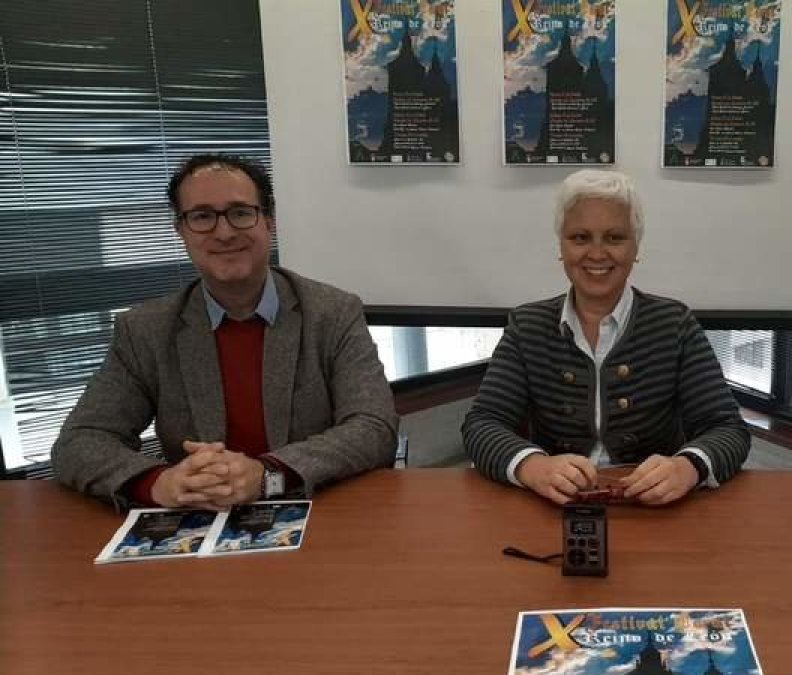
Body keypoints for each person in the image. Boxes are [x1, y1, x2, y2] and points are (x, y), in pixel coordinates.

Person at [51, 154, 399, 509]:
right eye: (202, 216)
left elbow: (374, 427)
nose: (224, 232)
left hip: (319, 514)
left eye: (240, 212)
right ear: (180, 229)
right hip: (199, 520)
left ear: (269, 221)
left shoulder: (332, 312)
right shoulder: (146, 330)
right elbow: (80, 441)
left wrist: (266, 477)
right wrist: (159, 483)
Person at [462, 169, 750, 506]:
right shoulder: (527, 326)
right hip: (554, 509)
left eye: (614, 238)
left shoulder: (675, 324)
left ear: (635, 247)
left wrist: (687, 468)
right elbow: (482, 424)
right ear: (561, 246)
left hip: (655, 512)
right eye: (580, 238)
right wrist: (533, 466)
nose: (597, 254)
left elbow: (729, 429)